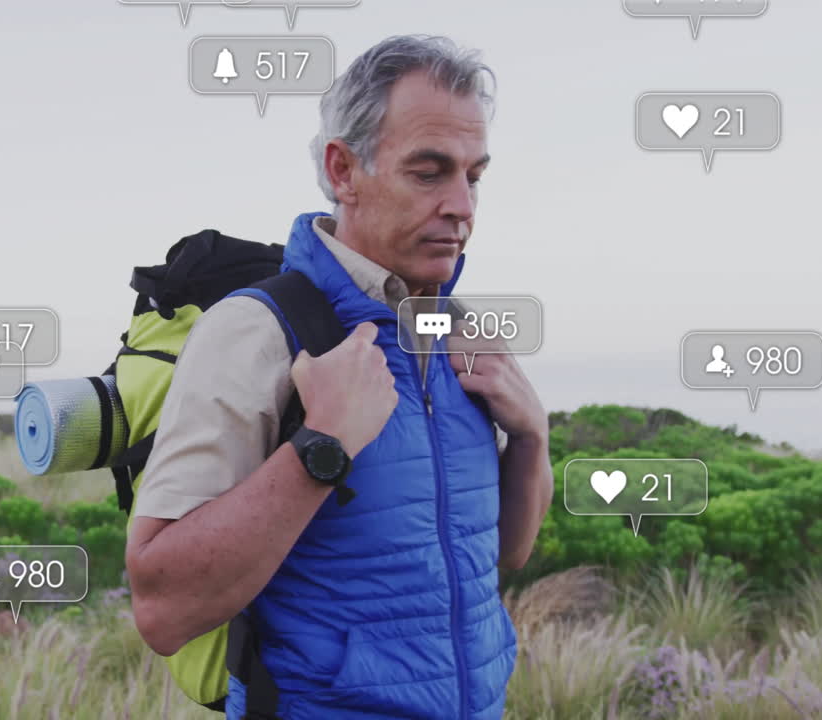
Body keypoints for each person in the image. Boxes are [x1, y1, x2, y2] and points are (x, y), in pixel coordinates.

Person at [125, 34, 553, 719]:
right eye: (429, 171)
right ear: (344, 169)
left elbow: (503, 554)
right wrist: (322, 446)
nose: (462, 207)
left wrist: (532, 436)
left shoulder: (456, 330)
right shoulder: (258, 332)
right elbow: (161, 608)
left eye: (473, 176)